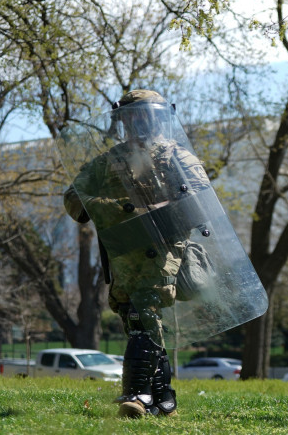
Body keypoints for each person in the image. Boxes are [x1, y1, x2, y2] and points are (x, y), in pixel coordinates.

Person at [63, 89, 208, 418]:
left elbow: (200, 199)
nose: (139, 122)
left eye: (146, 115)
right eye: (132, 116)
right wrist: (122, 209)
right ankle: (163, 399)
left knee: (145, 313)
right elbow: (74, 198)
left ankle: (136, 396)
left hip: (162, 250)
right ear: (122, 121)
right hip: (122, 254)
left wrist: (158, 210)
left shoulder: (176, 157)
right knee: (139, 320)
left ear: (158, 118)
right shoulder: (106, 163)